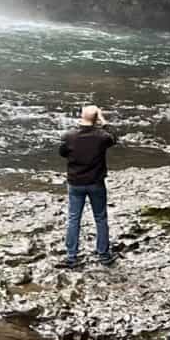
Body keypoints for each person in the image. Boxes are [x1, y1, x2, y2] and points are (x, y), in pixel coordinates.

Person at [58, 105, 117, 268]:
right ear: (96, 118)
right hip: (96, 182)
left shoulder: (69, 136)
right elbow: (114, 138)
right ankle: (104, 255)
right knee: (100, 218)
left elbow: (62, 153)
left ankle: (71, 256)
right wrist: (104, 121)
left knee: (73, 218)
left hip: (75, 182)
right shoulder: (102, 137)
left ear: (80, 116)